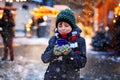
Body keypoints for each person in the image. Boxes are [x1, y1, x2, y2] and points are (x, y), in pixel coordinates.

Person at [41, 8, 87, 80]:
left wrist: (70, 53)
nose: (63, 28)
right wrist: (53, 53)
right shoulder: (53, 39)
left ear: (72, 26)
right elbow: (44, 58)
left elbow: (82, 63)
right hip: (52, 77)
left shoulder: (79, 41)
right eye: (60, 26)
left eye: (66, 25)